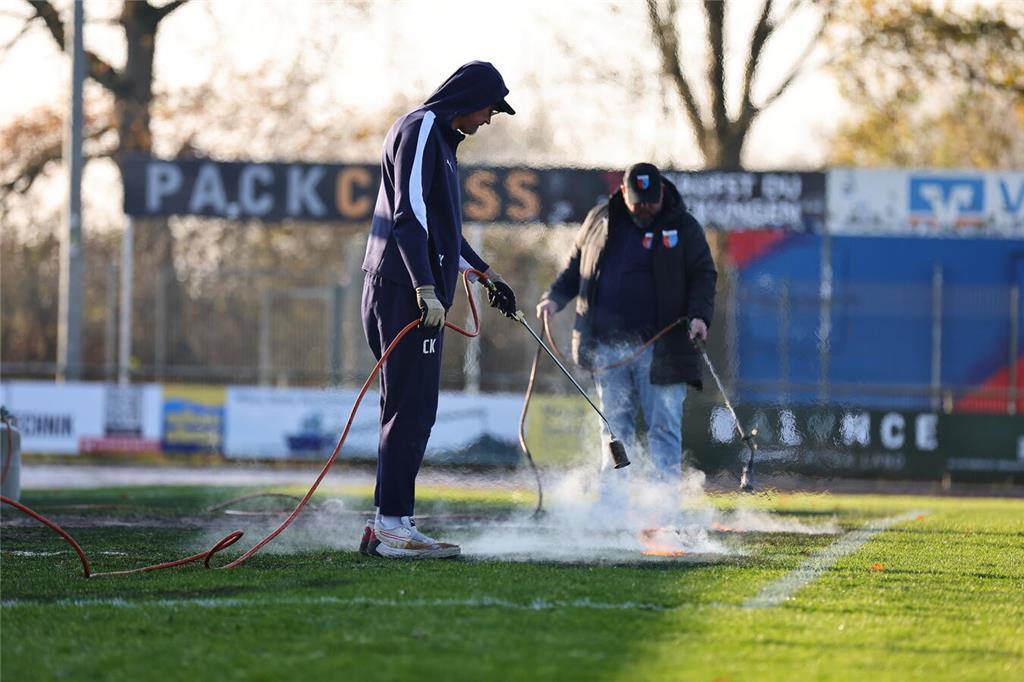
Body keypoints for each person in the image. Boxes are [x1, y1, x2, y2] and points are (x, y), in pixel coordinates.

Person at [359, 62, 518, 559]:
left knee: (409, 408)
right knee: (412, 408)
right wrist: (425, 286)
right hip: (404, 291)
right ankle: (391, 527)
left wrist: (486, 273)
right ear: (470, 98)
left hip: (410, 288)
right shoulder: (424, 126)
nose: (490, 119)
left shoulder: (442, 142)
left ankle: (389, 521)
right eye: (491, 108)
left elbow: (442, 228)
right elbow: (408, 216)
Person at [536, 163, 717, 502]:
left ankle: (664, 508)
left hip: (664, 348)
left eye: (652, 200)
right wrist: (552, 300)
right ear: (623, 194)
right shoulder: (599, 220)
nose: (646, 207)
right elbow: (576, 270)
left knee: (663, 427)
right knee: (614, 429)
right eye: (639, 202)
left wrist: (699, 316)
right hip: (607, 347)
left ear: (662, 192)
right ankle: (613, 506)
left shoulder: (685, 226)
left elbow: (704, 275)